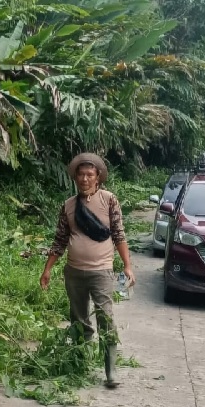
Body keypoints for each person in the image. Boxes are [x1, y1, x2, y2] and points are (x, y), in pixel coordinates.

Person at [39, 153, 136, 389]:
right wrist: (47, 269)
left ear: (98, 178)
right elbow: (60, 239)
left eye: (89, 175)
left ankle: (111, 371)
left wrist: (127, 265)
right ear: (75, 177)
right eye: (80, 175)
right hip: (74, 272)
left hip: (101, 272)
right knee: (79, 319)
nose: (84, 179)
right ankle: (80, 363)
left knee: (106, 318)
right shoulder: (69, 205)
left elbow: (118, 234)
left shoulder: (109, 200)